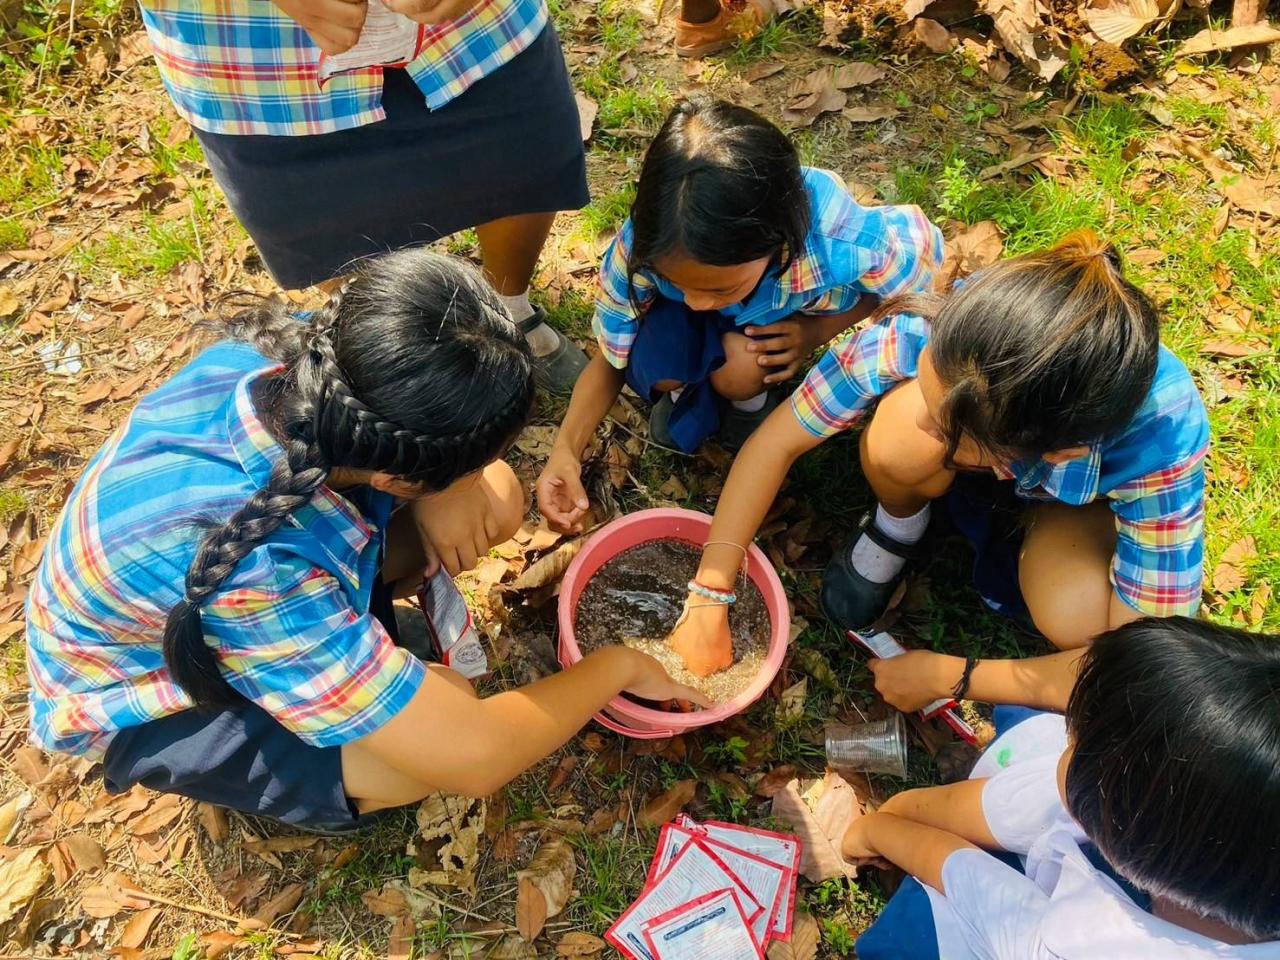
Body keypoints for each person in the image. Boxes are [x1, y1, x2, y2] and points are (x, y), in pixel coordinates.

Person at [24, 249, 704, 833]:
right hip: (154, 688)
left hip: (244, 572)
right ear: (394, 475)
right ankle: (286, 749)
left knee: (496, 499)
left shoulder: (310, 357)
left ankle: (358, 645)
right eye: (459, 467)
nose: (482, 472)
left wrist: (457, 488)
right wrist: (620, 667)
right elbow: (478, 759)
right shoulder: (263, 577)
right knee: (426, 745)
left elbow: (481, 489)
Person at [667, 231, 1208, 677]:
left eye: (948, 428)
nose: (925, 423)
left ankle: (1035, 525)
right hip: (1015, 444)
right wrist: (710, 589)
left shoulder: (1161, 438)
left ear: (1060, 453)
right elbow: (775, 441)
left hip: (1074, 507)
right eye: (927, 393)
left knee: (1078, 621)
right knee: (900, 440)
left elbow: (1142, 660)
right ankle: (898, 524)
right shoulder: (937, 329)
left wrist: (957, 676)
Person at [136, 0, 589, 392]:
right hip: (263, 59)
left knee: (522, 161)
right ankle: (399, 341)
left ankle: (508, 307)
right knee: (329, 223)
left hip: (469, 30)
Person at [537, 96, 942, 532]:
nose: (696, 302)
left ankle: (747, 405)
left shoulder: (843, 241)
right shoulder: (642, 247)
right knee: (662, 364)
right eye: (677, 282)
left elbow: (905, 297)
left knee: (744, 367)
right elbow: (612, 356)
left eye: (720, 288)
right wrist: (566, 448)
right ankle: (689, 395)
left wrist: (816, 330)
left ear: (777, 242)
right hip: (709, 317)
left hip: (774, 321)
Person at [844, 617, 1280, 959]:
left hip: (1032, 933)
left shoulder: (1093, 945)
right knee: (1031, 727)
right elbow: (1012, 808)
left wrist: (877, 830)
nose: (1070, 733)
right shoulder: (1206, 836)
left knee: (908, 936)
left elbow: (981, 890)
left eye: (1079, 740)